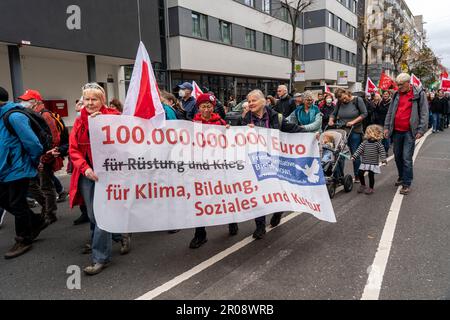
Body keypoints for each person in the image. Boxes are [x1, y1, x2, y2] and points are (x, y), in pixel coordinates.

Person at [69, 83, 123, 275]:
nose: (90, 103)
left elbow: (127, 141)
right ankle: (119, 236)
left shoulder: (114, 117)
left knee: (100, 216)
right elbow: (73, 149)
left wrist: (106, 122)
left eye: (94, 99)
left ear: (102, 101)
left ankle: (100, 257)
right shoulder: (79, 121)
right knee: (92, 215)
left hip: (110, 175)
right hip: (88, 174)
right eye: (87, 99)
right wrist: (85, 169)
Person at [241, 90, 305, 240]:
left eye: (254, 100)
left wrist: (309, 135)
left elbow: (292, 129)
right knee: (258, 193)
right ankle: (260, 226)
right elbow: (237, 138)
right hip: (255, 161)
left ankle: (278, 211)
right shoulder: (245, 119)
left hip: (275, 160)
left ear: (263, 101)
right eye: (248, 101)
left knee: (276, 190)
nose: (250, 103)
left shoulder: (276, 117)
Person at [0, 86, 49, 259]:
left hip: (18, 169)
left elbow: (34, 144)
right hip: (4, 170)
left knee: (17, 203)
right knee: (6, 201)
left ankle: (24, 239)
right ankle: (35, 221)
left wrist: (34, 163)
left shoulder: (14, 116)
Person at [189, 93, 239, 248]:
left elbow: (229, 143)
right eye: (203, 106)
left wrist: (229, 132)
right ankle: (200, 234)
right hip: (200, 168)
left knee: (224, 196)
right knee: (200, 201)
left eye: (209, 106)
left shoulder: (221, 122)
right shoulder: (192, 125)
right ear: (199, 108)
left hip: (218, 167)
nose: (206, 110)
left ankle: (232, 221)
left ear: (213, 107)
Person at [19, 89, 62, 224]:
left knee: (46, 186)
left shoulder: (45, 116)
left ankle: (50, 213)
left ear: (36, 101)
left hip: (46, 157)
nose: (22, 103)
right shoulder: (35, 114)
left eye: (25, 100)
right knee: (39, 185)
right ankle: (48, 210)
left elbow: (54, 138)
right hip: (40, 157)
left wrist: (44, 158)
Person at [384, 73, 429, 195]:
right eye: (397, 85)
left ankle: (406, 183)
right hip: (396, 131)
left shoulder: (419, 94)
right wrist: (387, 127)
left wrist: (421, 130)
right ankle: (401, 176)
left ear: (408, 83)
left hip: (410, 132)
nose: (398, 87)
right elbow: (390, 112)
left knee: (406, 158)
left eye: (401, 85)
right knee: (397, 156)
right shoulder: (396, 94)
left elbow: (424, 113)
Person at [329, 88, 368, 183]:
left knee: (355, 154)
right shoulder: (339, 102)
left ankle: (358, 175)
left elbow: (364, 113)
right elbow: (333, 114)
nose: (343, 101)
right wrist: (331, 120)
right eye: (341, 100)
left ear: (347, 93)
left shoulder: (357, 100)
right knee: (339, 153)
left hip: (355, 130)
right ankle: (339, 176)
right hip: (342, 131)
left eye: (344, 98)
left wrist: (353, 122)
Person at [351, 125, 387, 195]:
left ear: (373, 134)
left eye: (367, 133)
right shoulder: (364, 143)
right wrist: (354, 156)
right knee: (360, 173)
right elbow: (359, 150)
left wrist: (384, 160)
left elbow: (382, 152)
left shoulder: (378, 144)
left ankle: (371, 188)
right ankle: (363, 185)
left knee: (371, 175)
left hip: (373, 163)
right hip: (364, 162)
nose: (366, 134)